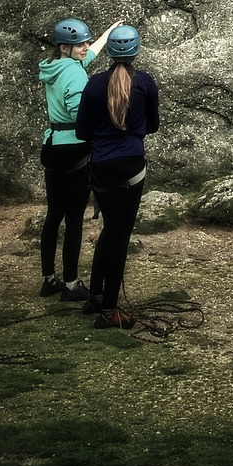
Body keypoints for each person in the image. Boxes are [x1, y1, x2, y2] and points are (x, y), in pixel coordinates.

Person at [75, 24, 159, 330]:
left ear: (109, 52)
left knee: (110, 229)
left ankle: (95, 295)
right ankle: (109, 309)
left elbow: (82, 131)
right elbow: (152, 126)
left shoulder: (94, 84)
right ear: (136, 51)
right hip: (131, 166)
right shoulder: (145, 83)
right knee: (119, 234)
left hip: (100, 165)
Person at [38, 16, 121, 300]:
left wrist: (109, 31)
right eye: (79, 44)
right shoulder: (74, 73)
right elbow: (77, 110)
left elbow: (90, 54)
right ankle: (71, 285)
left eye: (86, 41)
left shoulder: (55, 66)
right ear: (64, 47)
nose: (85, 47)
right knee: (74, 217)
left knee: (53, 214)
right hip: (75, 148)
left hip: (52, 145)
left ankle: (48, 279)